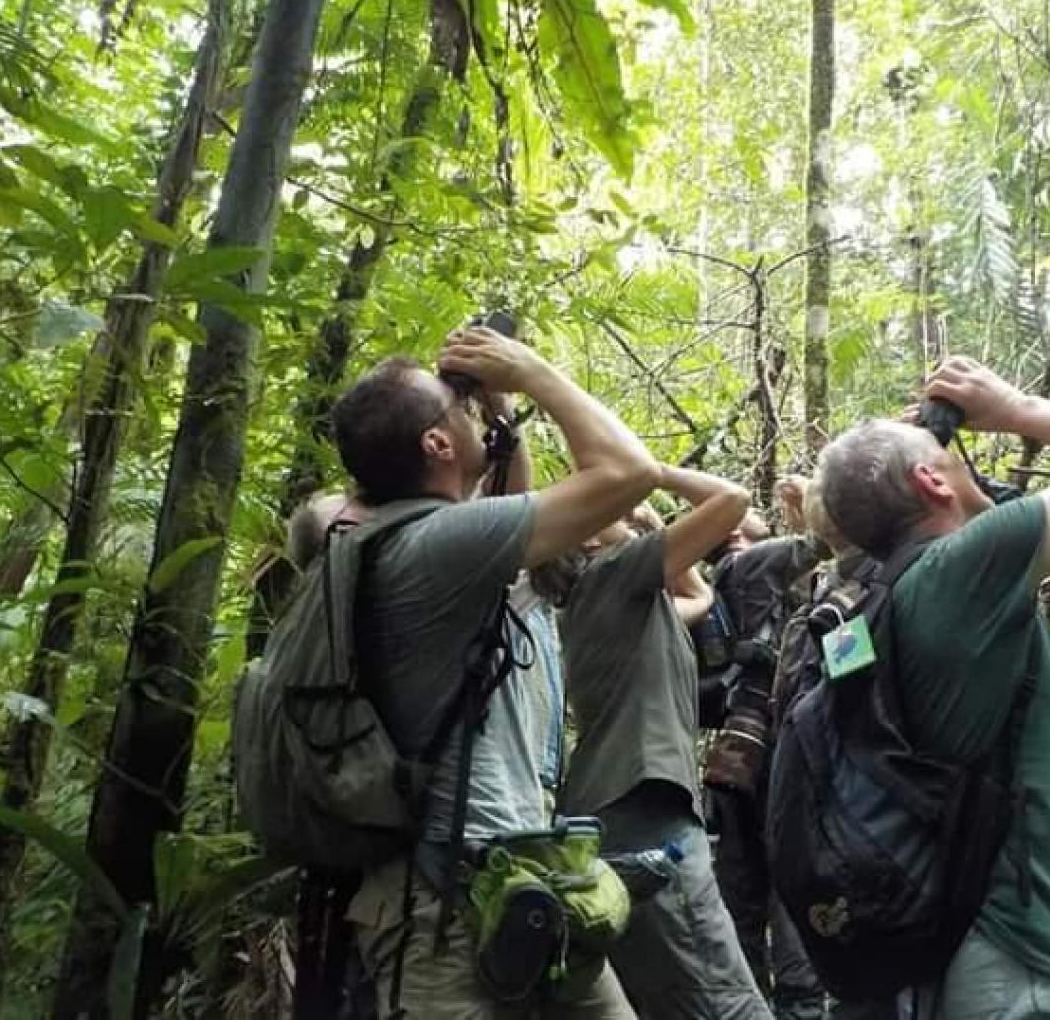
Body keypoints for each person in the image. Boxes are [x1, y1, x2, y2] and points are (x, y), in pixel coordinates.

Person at [817, 356, 1050, 1018]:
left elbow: (983, 512)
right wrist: (1014, 409)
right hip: (1036, 963)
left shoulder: (888, 595)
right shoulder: (958, 573)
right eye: (943, 460)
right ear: (931, 482)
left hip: (982, 953)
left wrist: (923, 455)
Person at [333, 327, 661, 1019]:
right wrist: (531, 371)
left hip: (523, 876)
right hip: (442, 909)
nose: (468, 408)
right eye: (455, 405)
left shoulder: (424, 540)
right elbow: (631, 471)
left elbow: (512, 502)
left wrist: (500, 415)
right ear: (436, 444)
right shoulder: (436, 543)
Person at [557, 465, 774, 1020]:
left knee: (672, 1001)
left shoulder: (620, 604)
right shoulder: (612, 574)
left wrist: (645, 523)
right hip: (646, 811)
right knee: (728, 1001)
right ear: (587, 538)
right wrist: (650, 474)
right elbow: (732, 499)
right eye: (612, 511)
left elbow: (698, 593)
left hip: (617, 809)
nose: (630, 516)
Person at [701, 477, 828, 1020]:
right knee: (789, 885)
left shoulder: (737, 580)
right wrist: (811, 503)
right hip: (774, 755)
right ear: (730, 531)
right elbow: (826, 545)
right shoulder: (747, 565)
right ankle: (799, 1006)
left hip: (740, 757)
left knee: (742, 891)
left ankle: (751, 1001)